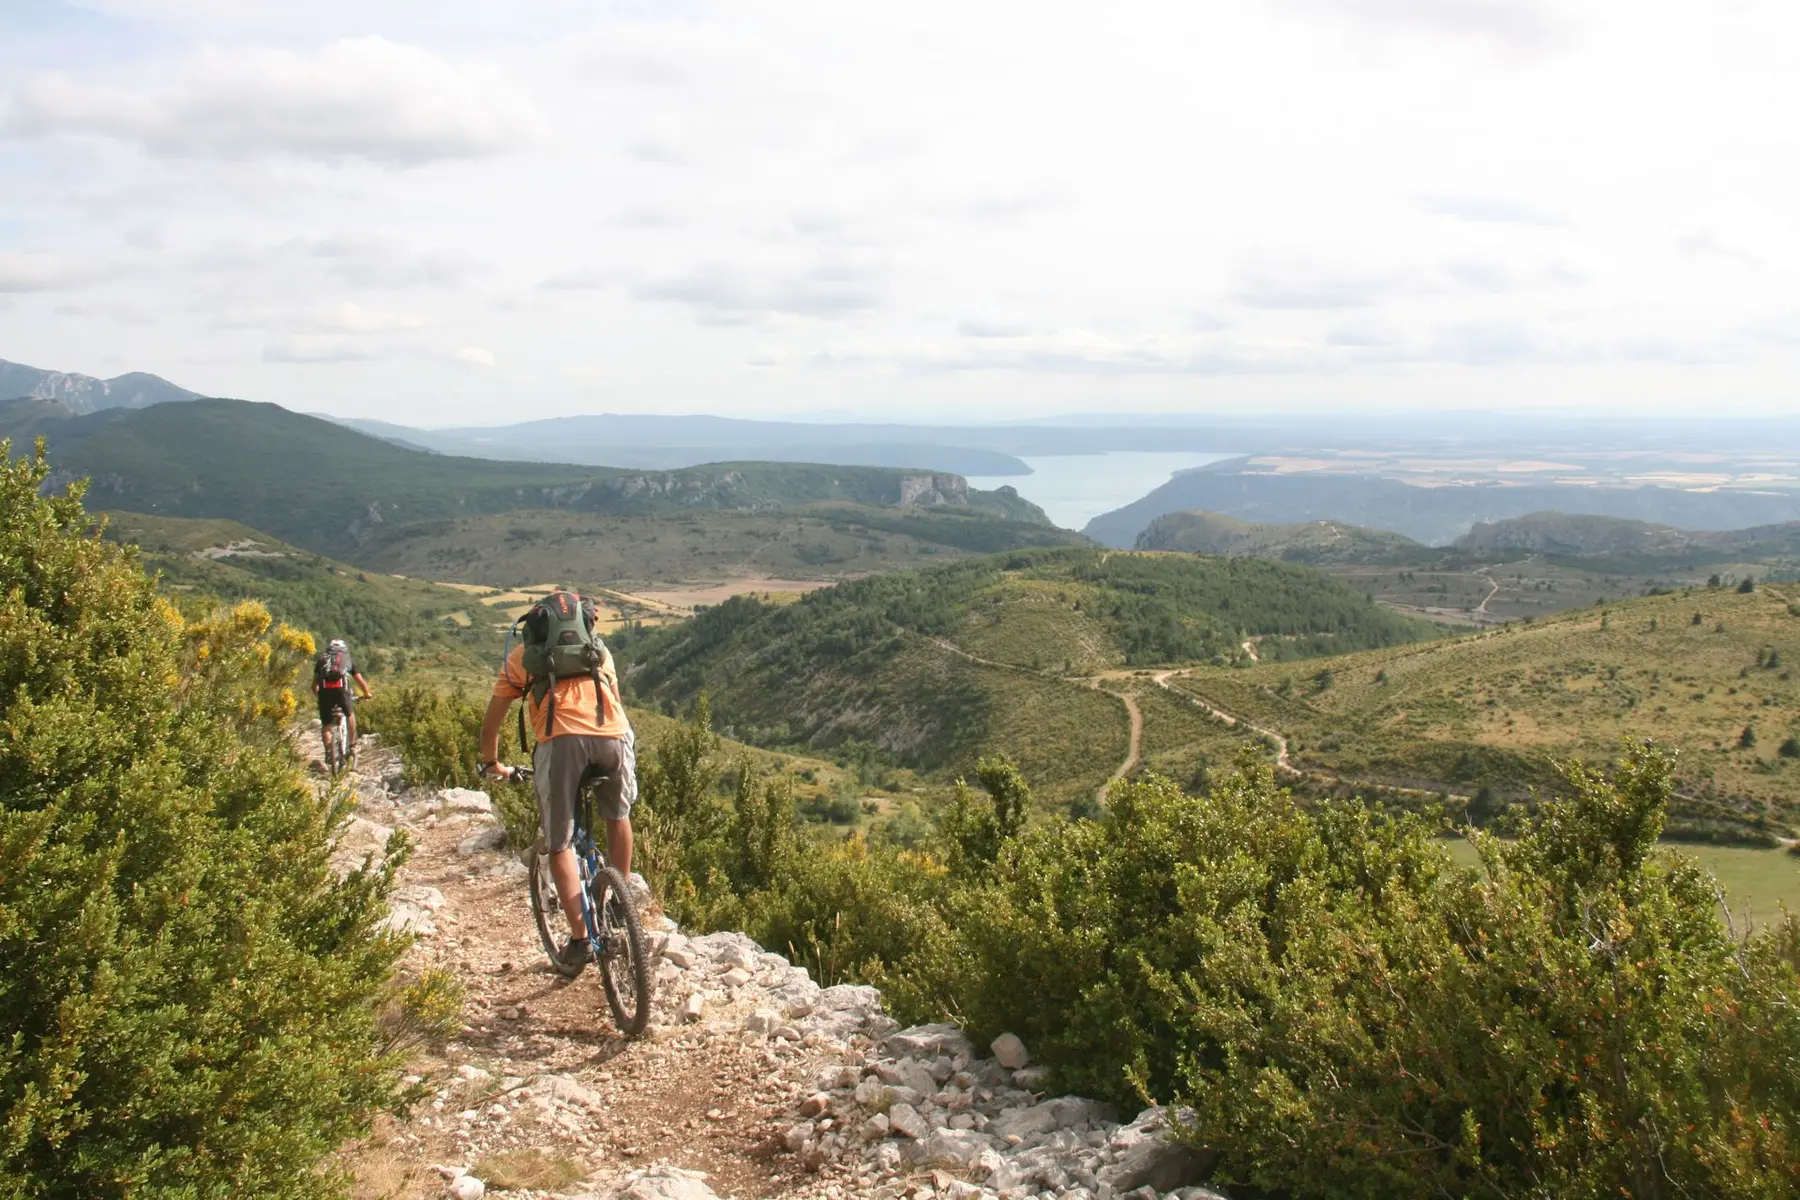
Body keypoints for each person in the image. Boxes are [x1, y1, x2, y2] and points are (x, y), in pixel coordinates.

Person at [478, 597, 632, 972]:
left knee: (559, 840)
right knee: (617, 814)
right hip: (614, 736)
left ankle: (580, 941)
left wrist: (490, 763)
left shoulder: (522, 658)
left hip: (562, 742)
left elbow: (493, 721)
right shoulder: (598, 652)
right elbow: (614, 698)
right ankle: (620, 902)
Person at [313, 637, 373, 764]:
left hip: (324, 692)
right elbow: (359, 680)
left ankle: (330, 754)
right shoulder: (346, 659)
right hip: (341, 690)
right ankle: (352, 746)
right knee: (350, 714)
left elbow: (314, 685)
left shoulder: (322, 660)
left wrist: (320, 696)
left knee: (327, 725)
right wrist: (367, 693)